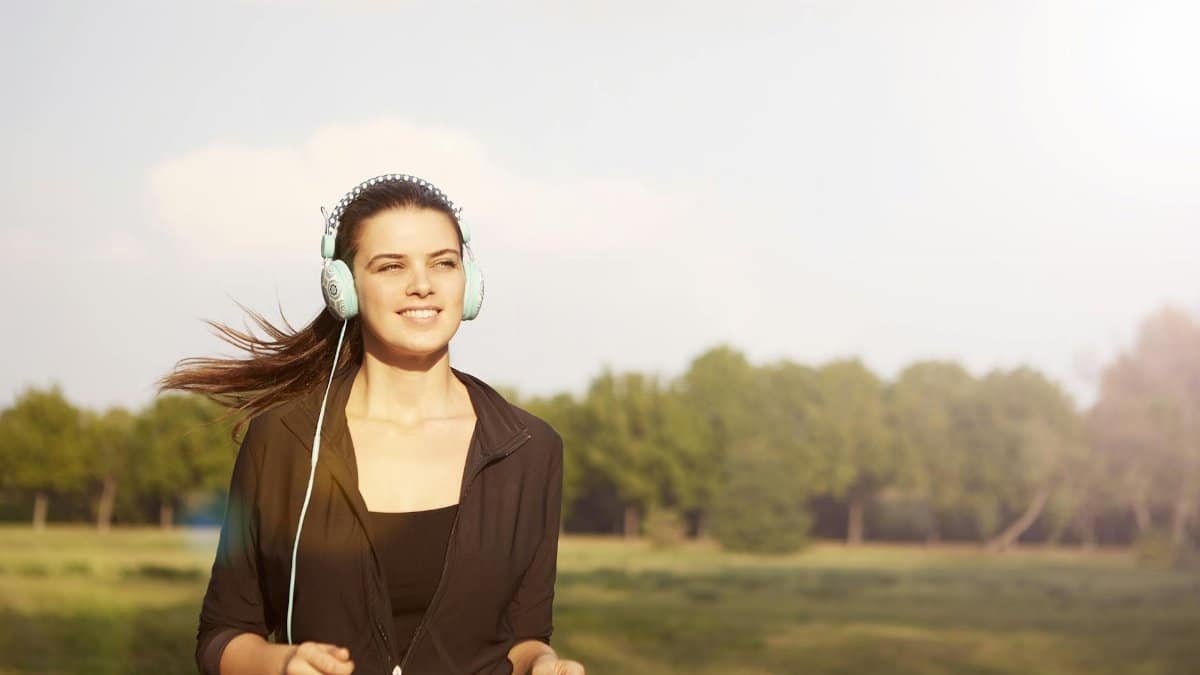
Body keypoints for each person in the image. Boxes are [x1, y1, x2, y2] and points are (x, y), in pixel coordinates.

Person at [158, 174, 586, 675]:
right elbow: (222, 635)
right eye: (391, 266)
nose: (422, 284)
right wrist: (282, 662)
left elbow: (525, 638)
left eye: (443, 263)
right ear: (343, 289)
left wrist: (544, 665)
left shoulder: (530, 448)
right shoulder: (284, 440)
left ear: (468, 281)